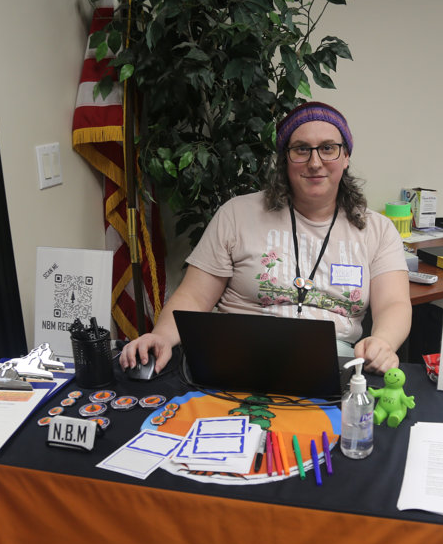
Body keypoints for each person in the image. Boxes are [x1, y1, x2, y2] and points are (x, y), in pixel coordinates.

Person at [119, 101, 411, 375]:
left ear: (345, 157)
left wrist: (383, 342)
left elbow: (394, 304)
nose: (315, 162)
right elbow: (195, 296)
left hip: (333, 362)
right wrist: (160, 337)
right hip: (237, 356)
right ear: (285, 159)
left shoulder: (378, 230)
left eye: (328, 148)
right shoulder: (236, 214)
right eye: (301, 149)